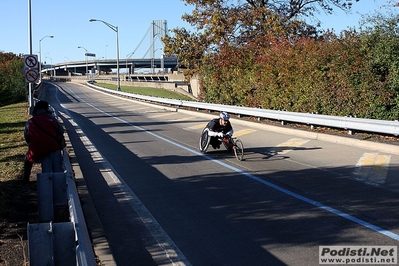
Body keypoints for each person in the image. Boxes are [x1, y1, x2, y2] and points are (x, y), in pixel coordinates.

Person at [23, 100, 65, 182]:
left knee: (27, 160)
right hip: (53, 147)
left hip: (37, 148)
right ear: (47, 109)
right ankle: (60, 182)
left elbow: (27, 137)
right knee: (57, 165)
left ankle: (26, 179)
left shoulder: (31, 121)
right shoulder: (52, 119)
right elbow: (61, 131)